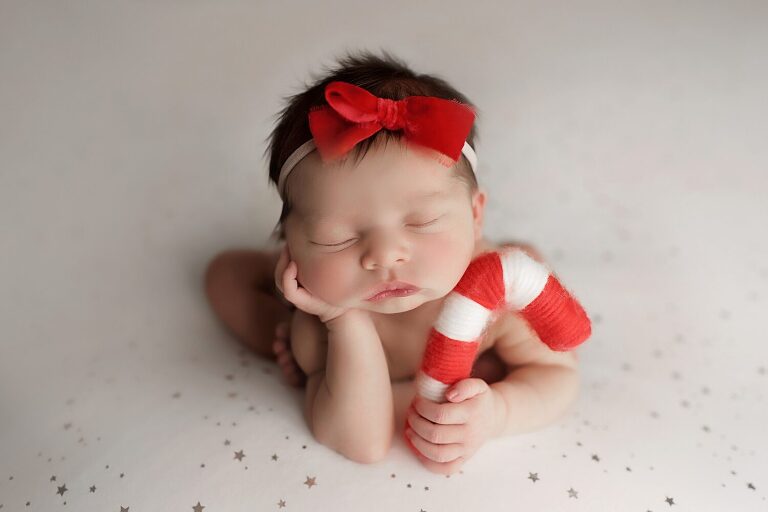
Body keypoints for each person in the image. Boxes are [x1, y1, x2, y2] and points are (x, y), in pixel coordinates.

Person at [204, 49, 580, 475]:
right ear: (291, 244)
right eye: (337, 236)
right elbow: (363, 442)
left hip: (472, 282)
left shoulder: (495, 304)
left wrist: (498, 411)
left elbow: (558, 375)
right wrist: (340, 320)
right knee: (224, 273)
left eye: (421, 221)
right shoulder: (317, 326)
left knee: (525, 256)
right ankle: (291, 320)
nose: (384, 256)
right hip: (330, 302)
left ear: (475, 214)